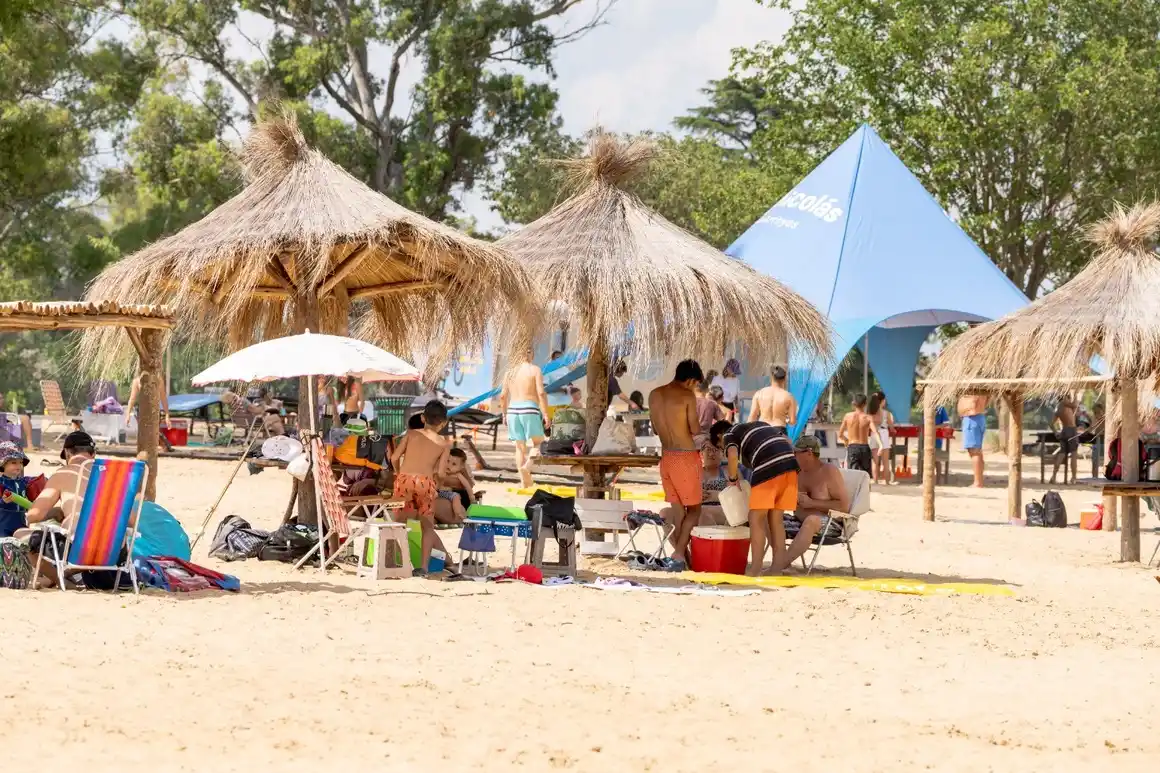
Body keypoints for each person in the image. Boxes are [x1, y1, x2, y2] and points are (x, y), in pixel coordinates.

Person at [23, 431, 131, 589]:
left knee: (22, 538)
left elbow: (34, 515)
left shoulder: (64, 473)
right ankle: (66, 576)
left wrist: (56, 513)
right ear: (93, 453)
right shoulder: (112, 476)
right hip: (114, 556)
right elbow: (132, 519)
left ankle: (63, 582)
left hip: (80, 550)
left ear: (67, 453)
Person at [723, 419, 801, 576]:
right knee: (776, 520)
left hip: (768, 467)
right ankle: (777, 569)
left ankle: (755, 568)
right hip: (790, 466)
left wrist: (732, 479)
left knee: (755, 518)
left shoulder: (729, 434)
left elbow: (732, 454)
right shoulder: (761, 424)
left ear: (719, 436)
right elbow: (787, 440)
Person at [648, 359, 706, 570]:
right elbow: (694, 429)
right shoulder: (687, 396)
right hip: (686, 456)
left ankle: (684, 557)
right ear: (690, 380)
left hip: (667, 457)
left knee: (678, 510)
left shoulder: (654, 394)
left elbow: (655, 428)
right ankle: (680, 552)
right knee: (695, 510)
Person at [390, 400, 451, 575]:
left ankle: (396, 562)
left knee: (399, 523)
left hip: (405, 480)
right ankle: (423, 567)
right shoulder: (444, 444)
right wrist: (437, 486)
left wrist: (398, 474)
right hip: (426, 482)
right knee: (427, 527)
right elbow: (441, 472)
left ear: (423, 418)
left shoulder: (411, 434)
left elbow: (394, 458)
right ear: (444, 422)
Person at [784, 435, 850, 569]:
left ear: (809, 453)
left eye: (796, 453)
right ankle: (781, 560)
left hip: (829, 523)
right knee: (770, 518)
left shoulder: (828, 472)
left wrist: (812, 503)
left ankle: (780, 564)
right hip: (800, 520)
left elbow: (843, 507)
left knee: (811, 521)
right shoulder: (798, 472)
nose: (793, 455)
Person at [498, 348, 550, 488]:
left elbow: (502, 396)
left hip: (513, 410)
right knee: (538, 443)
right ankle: (527, 467)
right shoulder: (535, 370)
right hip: (530, 408)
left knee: (519, 447)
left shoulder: (509, 372)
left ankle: (523, 482)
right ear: (531, 354)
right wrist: (545, 414)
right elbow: (541, 393)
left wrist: (504, 414)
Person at [748, 365, 796, 433]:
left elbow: (752, 417)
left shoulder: (759, 394)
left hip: (762, 429)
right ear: (784, 379)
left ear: (772, 378)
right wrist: (785, 419)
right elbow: (792, 421)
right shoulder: (789, 396)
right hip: (779, 430)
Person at [0, 441, 32, 538]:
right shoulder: (1, 483)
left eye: (20, 462)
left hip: (20, 521)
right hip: (3, 523)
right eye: (13, 462)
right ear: (2, 464)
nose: (18, 466)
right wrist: (3, 501)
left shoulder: (24, 481)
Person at [436, 447, 475, 523]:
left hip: (450, 495)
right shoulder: (441, 472)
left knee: (456, 496)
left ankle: (457, 513)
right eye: (447, 461)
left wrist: (472, 497)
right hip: (438, 493)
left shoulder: (458, 475)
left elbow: (468, 486)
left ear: (461, 467)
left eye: (453, 464)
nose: (449, 465)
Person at [838, 394, 874, 475]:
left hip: (853, 447)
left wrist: (846, 440)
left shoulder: (847, 416)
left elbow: (840, 434)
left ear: (853, 403)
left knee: (853, 475)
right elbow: (875, 431)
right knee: (865, 476)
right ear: (865, 404)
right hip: (864, 447)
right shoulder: (868, 417)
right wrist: (881, 444)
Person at [958, 393, 988, 487]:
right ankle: (979, 480)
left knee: (974, 451)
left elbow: (974, 401)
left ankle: (977, 482)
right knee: (977, 451)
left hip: (972, 417)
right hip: (977, 418)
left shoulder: (973, 390)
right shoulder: (982, 390)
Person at [1051, 392, 1079, 484]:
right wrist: (1076, 393)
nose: (1069, 399)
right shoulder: (1064, 403)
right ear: (1064, 398)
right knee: (1074, 455)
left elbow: (1051, 424)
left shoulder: (1058, 407)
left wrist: (1056, 433)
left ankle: (1054, 476)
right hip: (1071, 431)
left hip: (1064, 431)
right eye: (1068, 397)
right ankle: (1074, 478)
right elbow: (1075, 404)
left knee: (1062, 453)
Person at [867, 391, 894, 484]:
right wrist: (893, 430)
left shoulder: (870, 412)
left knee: (875, 461)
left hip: (874, 434)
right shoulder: (886, 413)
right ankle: (887, 482)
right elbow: (891, 426)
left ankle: (875, 481)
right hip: (883, 432)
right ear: (882, 401)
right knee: (885, 461)